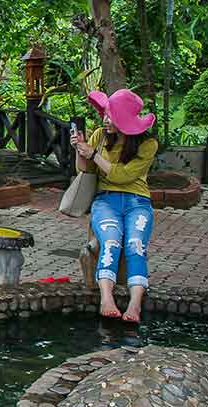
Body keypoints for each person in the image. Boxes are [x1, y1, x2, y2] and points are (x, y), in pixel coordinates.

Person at [70, 89, 157, 323]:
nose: (105, 120)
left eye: (111, 115)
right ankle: (106, 298)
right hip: (106, 201)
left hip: (137, 202)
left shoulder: (148, 144)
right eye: (105, 114)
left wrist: (95, 155)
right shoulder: (100, 135)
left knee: (135, 245)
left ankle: (135, 303)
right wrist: (80, 150)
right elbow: (85, 170)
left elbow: (123, 176)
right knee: (110, 241)